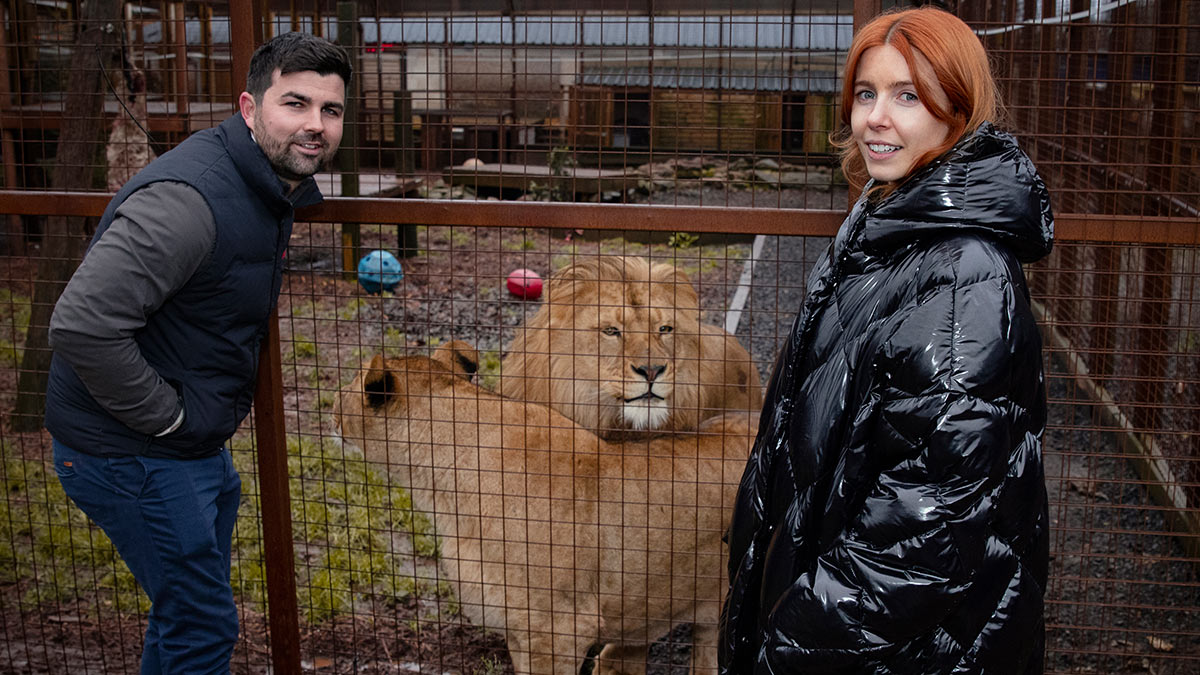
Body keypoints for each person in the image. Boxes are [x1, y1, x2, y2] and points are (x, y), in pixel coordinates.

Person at [719, 7, 1053, 674]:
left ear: (956, 110)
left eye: (907, 95)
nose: (875, 117)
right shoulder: (885, 221)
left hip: (905, 647)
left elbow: (922, 529)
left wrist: (791, 644)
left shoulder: (963, 275)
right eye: (866, 93)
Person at [44, 32, 351, 674]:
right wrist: (169, 418)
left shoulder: (264, 182)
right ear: (248, 107)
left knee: (186, 612)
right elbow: (81, 324)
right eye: (295, 104)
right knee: (203, 625)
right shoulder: (187, 202)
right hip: (130, 449)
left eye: (331, 110)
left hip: (184, 445)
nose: (316, 125)